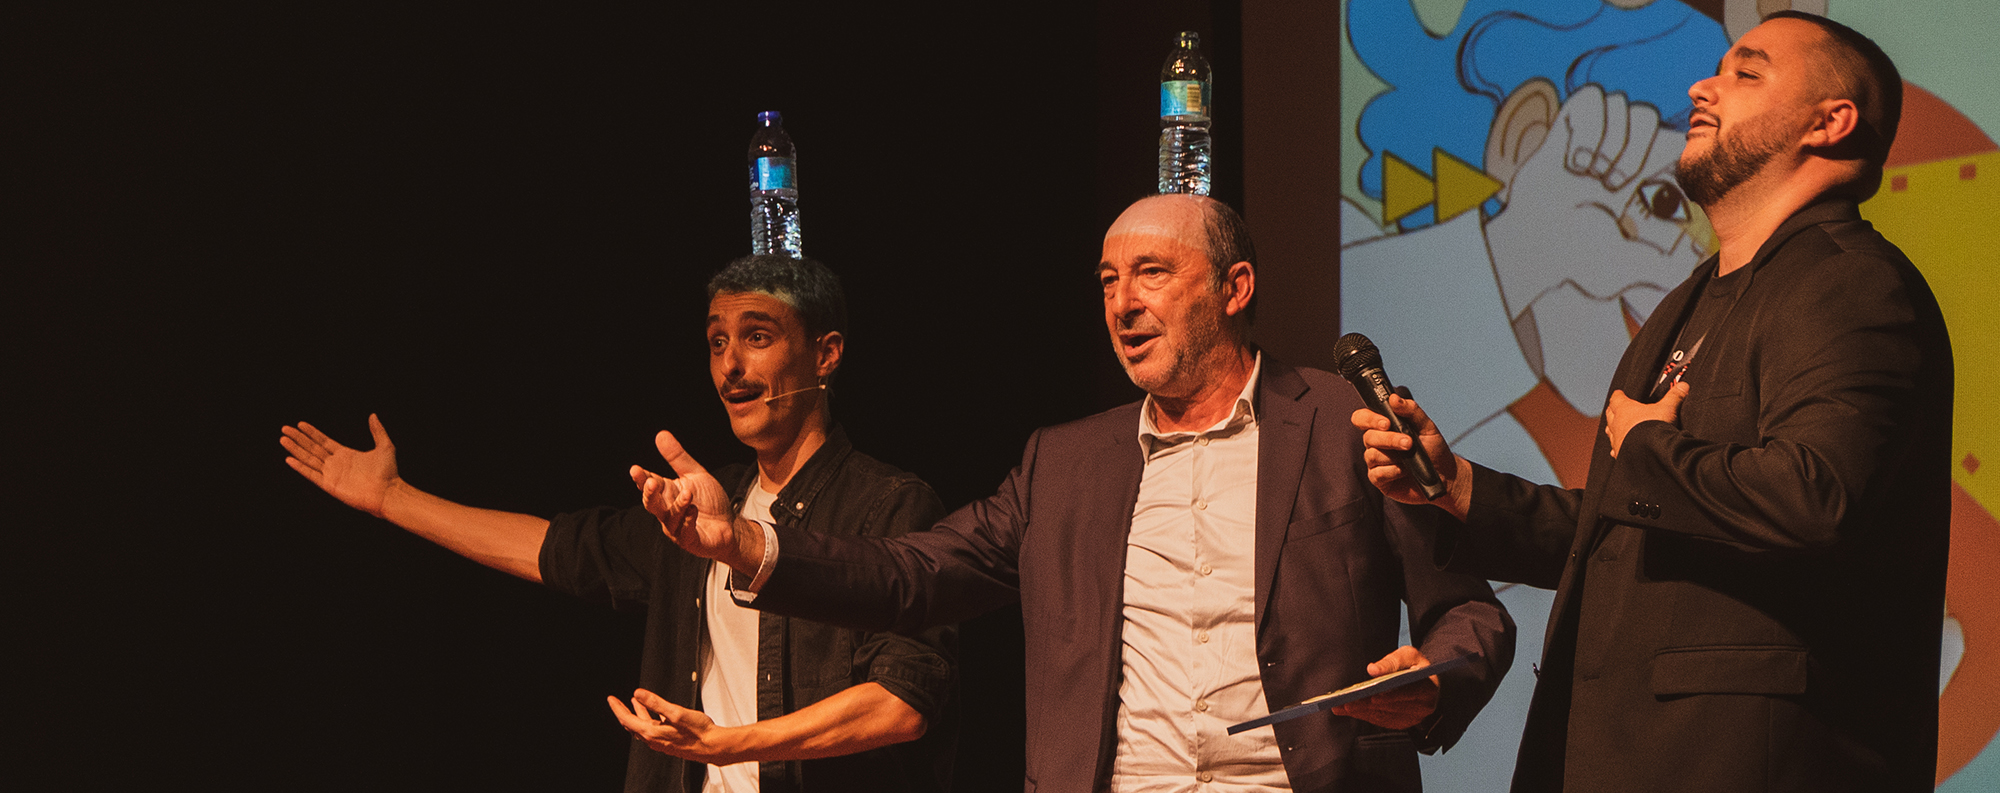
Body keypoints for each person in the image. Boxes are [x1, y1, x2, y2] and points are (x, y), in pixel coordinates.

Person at [638, 194, 1514, 792]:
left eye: (1151, 273)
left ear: (1235, 288)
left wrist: (1434, 682)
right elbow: (912, 574)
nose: (1122, 303)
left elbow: (1470, 612)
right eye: (1106, 281)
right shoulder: (1065, 463)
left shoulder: (1340, 422)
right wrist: (743, 543)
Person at [1352, 12, 1951, 792]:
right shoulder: (1688, 301)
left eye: (1747, 73)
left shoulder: (1851, 281)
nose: (1703, 87)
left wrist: (1648, 449)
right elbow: (1624, 532)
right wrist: (1460, 489)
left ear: (1829, 123)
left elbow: (1816, 498)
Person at [279, 255, 956, 793]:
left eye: (757, 336)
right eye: (717, 341)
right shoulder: (698, 506)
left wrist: (731, 744)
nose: (730, 365)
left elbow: (902, 702)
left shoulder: (889, 506)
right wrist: (392, 498)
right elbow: (553, 549)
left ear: (826, 354)